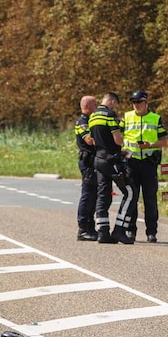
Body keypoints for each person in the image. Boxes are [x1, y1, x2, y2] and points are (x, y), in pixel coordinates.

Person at [121, 90, 168, 243]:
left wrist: (149, 145)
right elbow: (118, 137)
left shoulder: (155, 118)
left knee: (150, 199)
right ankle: (130, 230)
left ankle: (151, 232)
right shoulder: (127, 117)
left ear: (146, 102)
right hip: (131, 162)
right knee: (132, 197)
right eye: (133, 102)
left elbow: (164, 141)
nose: (136, 105)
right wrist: (121, 151)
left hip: (149, 163)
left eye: (139, 102)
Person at [88, 92, 134, 244]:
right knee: (130, 192)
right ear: (112, 101)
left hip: (98, 159)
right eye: (115, 104)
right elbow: (117, 140)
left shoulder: (93, 116)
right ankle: (119, 230)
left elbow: (94, 141)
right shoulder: (110, 115)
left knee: (103, 195)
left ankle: (102, 232)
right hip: (111, 160)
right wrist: (121, 149)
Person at [74, 95, 99, 241]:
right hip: (87, 162)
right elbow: (89, 140)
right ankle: (83, 228)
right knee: (87, 194)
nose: (97, 107)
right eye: (95, 105)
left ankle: (90, 226)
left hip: (93, 162)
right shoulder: (82, 122)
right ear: (87, 107)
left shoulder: (90, 120)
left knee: (93, 195)